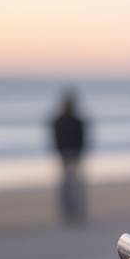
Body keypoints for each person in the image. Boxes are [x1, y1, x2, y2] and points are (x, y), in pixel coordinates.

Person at [50, 89, 86, 224]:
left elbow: (82, 139)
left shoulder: (73, 120)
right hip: (67, 154)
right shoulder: (63, 120)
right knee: (70, 184)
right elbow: (56, 139)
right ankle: (69, 212)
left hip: (71, 154)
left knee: (73, 184)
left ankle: (75, 211)